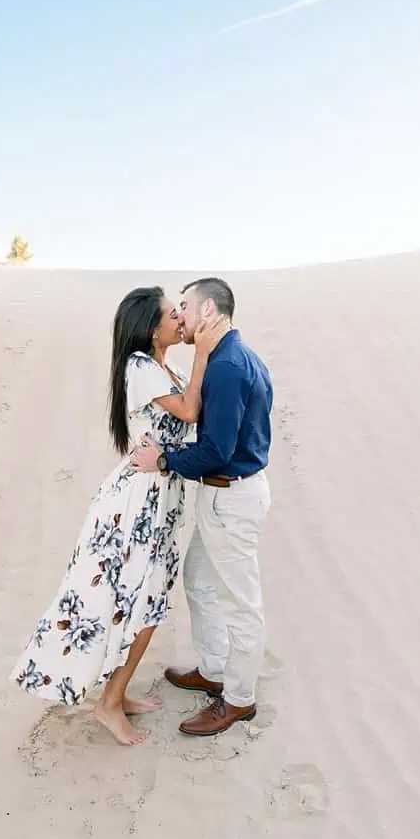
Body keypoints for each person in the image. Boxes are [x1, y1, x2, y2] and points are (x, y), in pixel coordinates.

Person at [10, 286, 226, 746]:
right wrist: (204, 353)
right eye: (173, 315)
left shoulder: (160, 366)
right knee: (143, 603)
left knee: (141, 600)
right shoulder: (140, 367)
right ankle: (108, 704)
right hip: (138, 504)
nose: (180, 320)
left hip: (160, 497)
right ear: (152, 328)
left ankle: (117, 692)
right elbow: (189, 409)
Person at [130, 276, 273, 737]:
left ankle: (238, 700)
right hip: (224, 495)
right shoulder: (232, 357)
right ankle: (213, 670)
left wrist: (164, 459)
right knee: (199, 581)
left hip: (231, 496)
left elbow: (215, 449)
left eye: (186, 306)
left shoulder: (229, 366)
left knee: (239, 602)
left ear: (208, 309)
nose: (181, 316)